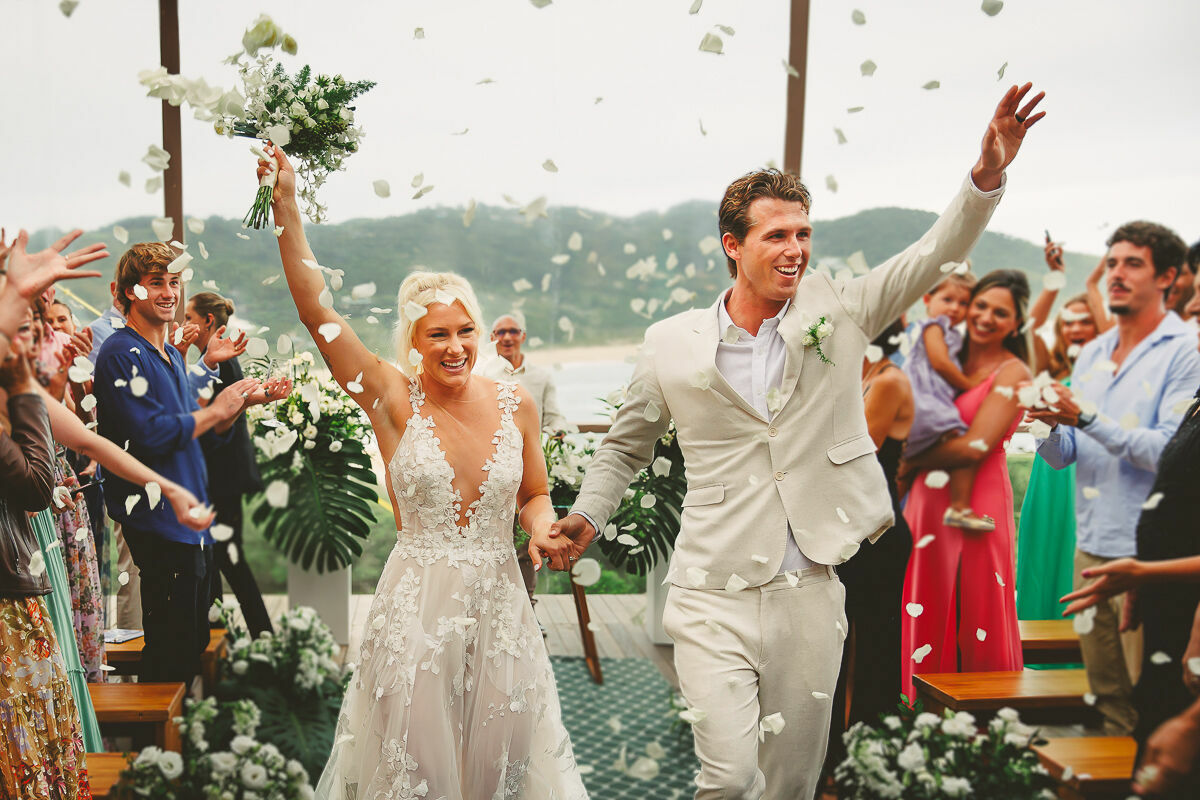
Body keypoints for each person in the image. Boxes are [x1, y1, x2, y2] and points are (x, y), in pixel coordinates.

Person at [551, 84, 1046, 800]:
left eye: (804, 233)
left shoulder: (840, 309)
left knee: (789, 783)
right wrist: (588, 516)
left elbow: (935, 254)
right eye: (777, 235)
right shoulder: (671, 344)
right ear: (733, 245)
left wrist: (986, 176)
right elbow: (627, 446)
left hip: (810, 591)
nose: (796, 249)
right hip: (711, 588)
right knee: (726, 777)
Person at [259, 145, 588, 799]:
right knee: (419, 771)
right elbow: (317, 313)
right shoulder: (388, 395)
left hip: (501, 607)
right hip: (416, 606)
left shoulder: (515, 403)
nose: (456, 346)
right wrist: (286, 205)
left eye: (465, 330)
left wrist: (544, 528)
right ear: (412, 340)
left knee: (504, 763)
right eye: (437, 334)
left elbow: (534, 493)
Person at [1029, 221, 1200, 736]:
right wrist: (1044, 424)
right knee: (1105, 702)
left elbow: (1170, 453)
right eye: (1113, 262)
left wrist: (1083, 417)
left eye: (1133, 264)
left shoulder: (1184, 351)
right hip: (1090, 543)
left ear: (1167, 276)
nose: (1117, 275)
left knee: (1148, 700)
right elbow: (1067, 456)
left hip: (1147, 552)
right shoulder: (1097, 353)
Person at [93, 242, 287, 685]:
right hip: (158, 518)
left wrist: (241, 395)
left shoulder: (165, 353)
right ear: (124, 293)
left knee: (193, 638)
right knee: (170, 647)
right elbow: (153, 433)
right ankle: (156, 750)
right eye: (155, 283)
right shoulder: (122, 352)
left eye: (174, 282)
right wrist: (217, 410)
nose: (168, 292)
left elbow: (183, 411)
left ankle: (181, 741)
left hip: (189, 518)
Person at [899, 270, 1033, 704]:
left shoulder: (1014, 372)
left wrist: (906, 461)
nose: (986, 317)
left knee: (977, 605)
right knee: (925, 602)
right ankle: (914, 717)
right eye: (981, 306)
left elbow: (976, 445)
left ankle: (983, 728)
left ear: (1016, 323)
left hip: (978, 497)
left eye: (1001, 312)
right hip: (925, 500)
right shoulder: (949, 356)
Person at [1058, 383, 1200, 749]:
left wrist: (1144, 572)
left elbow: (1154, 456)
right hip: (1153, 582)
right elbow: (1174, 491)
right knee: (1141, 707)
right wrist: (1051, 427)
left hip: (1184, 599)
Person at [0, 334, 91, 800]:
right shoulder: (14, 388)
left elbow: (89, 439)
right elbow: (37, 486)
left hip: (16, 572)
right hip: (6, 598)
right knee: (27, 750)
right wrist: (24, 386)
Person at [827, 319, 914, 771]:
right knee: (834, 643)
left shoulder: (889, 381)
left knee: (872, 645)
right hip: (845, 530)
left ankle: (867, 755)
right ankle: (829, 751)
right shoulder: (857, 375)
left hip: (877, 533)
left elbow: (852, 454)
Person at [180, 291, 273, 637]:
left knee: (230, 560)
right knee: (217, 560)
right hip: (218, 478)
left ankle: (262, 636)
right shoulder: (213, 359)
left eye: (189, 317)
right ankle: (220, 640)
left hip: (222, 479)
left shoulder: (219, 361)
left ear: (207, 321)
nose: (184, 324)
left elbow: (217, 420)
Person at [478, 311, 570, 622]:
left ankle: (526, 614)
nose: (506, 337)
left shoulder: (541, 377)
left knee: (526, 545)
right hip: (493, 469)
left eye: (512, 331)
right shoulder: (484, 373)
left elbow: (554, 417)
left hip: (531, 469)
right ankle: (492, 614)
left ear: (523, 336)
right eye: (500, 332)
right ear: (492, 338)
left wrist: (557, 434)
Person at [1016, 291, 1101, 621]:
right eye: (1068, 322)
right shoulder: (1050, 373)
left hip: (1087, 480)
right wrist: (1051, 286)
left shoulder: (1115, 379)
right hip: (1050, 478)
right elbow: (1026, 331)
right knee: (1045, 559)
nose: (1075, 329)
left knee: (1076, 558)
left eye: (1085, 321)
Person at [902, 272, 998, 530]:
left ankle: (890, 515)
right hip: (925, 401)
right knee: (964, 444)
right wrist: (970, 383)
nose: (955, 308)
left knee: (906, 465)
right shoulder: (933, 327)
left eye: (964, 303)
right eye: (948, 300)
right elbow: (941, 363)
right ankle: (960, 507)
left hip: (929, 401)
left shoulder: (953, 334)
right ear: (927, 299)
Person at [0, 228, 106, 364]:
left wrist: (80, 368)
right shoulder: (10, 346)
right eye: (24, 325)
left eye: (37, 316)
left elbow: (85, 384)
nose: (33, 327)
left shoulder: (66, 342)